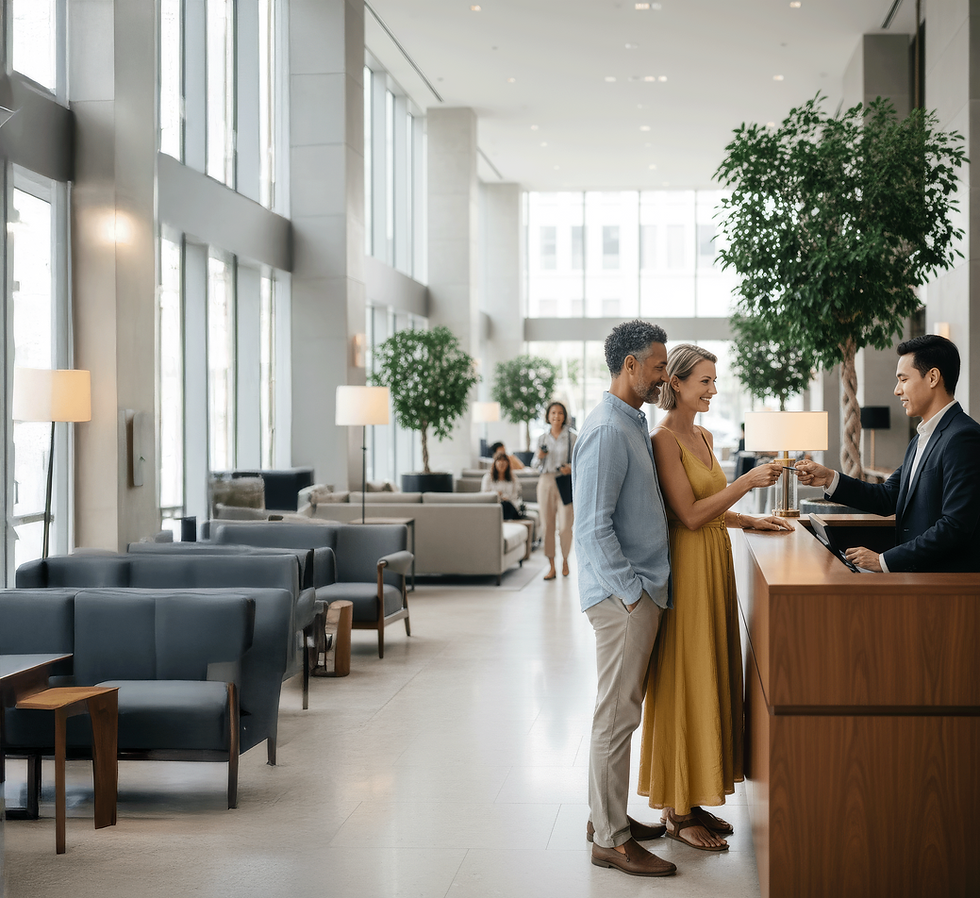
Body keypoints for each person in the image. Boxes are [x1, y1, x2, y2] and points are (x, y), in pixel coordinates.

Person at [637, 343, 790, 852]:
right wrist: (747, 483)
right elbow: (690, 514)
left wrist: (749, 519)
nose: (713, 389)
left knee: (710, 672)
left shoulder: (701, 434)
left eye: (714, 380)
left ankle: (693, 796)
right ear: (676, 384)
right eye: (704, 380)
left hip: (714, 561)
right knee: (687, 674)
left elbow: (712, 507)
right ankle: (676, 812)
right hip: (687, 566)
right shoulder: (663, 440)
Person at [572, 319, 676, 878]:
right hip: (623, 598)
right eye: (658, 365)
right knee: (615, 717)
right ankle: (610, 839)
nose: (665, 375)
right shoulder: (609, 430)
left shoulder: (631, 422)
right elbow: (591, 528)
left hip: (635, 592)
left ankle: (605, 817)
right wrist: (634, 595)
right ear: (630, 366)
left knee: (619, 714)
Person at [796, 334, 980, 572]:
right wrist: (830, 478)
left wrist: (884, 561)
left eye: (903, 380)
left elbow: (955, 526)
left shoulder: (963, 437)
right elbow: (887, 497)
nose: (896, 390)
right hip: (917, 579)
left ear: (933, 377)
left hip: (943, 587)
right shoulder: (920, 440)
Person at [533, 401, 576, 580]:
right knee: (547, 525)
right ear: (548, 416)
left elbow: (581, 461)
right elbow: (534, 465)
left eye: (559, 413)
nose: (556, 416)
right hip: (546, 482)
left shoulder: (573, 437)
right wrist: (539, 456)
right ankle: (551, 566)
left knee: (566, 526)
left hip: (565, 482)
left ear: (564, 416)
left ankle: (565, 560)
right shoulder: (542, 438)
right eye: (553, 413)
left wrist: (571, 468)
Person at [480, 451, 524, 519]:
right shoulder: (487, 478)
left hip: (509, 505)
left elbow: (515, 496)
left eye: (504, 460)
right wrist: (497, 494)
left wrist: (505, 497)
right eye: (499, 460)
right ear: (495, 463)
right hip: (493, 505)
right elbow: (484, 495)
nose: (502, 463)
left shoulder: (513, 479)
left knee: (506, 505)